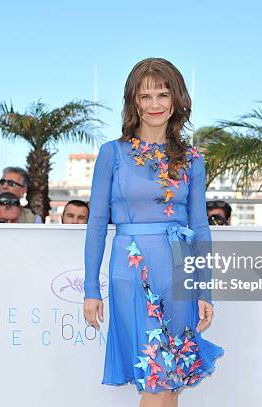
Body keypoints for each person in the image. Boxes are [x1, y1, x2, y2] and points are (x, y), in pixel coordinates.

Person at [83, 57, 224, 406]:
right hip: (131, 267)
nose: (155, 104)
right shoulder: (112, 153)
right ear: (133, 101)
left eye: (163, 94)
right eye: (145, 97)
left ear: (176, 100)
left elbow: (200, 227)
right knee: (155, 373)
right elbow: (97, 224)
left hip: (179, 269)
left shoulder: (192, 159)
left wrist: (205, 289)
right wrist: (91, 288)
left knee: (171, 378)